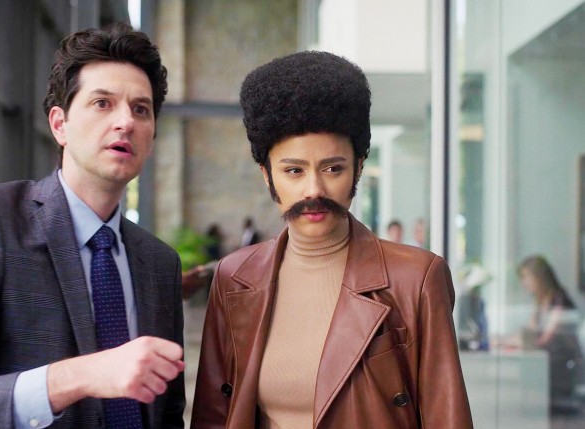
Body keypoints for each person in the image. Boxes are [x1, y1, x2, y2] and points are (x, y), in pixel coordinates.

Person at [0, 24, 185, 429]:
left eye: (141, 109)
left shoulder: (160, 263)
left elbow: (167, 413)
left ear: (152, 137)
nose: (126, 121)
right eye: (102, 103)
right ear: (59, 125)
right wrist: (79, 376)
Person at [191, 51, 473, 428]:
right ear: (267, 174)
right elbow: (213, 414)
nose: (314, 190)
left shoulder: (416, 279)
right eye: (294, 171)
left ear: (358, 167)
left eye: (333, 168)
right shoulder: (235, 277)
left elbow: (446, 416)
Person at [518, 255, 584, 409]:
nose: (524, 283)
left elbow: (545, 338)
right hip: (546, 360)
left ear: (539, 277)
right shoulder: (540, 301)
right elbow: (531, 333)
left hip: (562, 364)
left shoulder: (559, 300)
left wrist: (522, 341)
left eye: (526, 277)